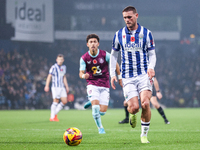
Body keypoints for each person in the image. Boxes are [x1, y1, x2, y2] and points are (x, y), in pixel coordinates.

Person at [110, 6, 156, 143]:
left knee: (146, 103)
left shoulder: (147, 33)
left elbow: (152, 54)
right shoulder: (119, 34)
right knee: (135, 107)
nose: (127, 20)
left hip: (143, 75)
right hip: (127, 76)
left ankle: (144, 135)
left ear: (136, 15)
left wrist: (151, 67)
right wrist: (113, 74)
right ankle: (132, 113)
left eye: (129, 17)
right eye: (125, 18)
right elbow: (113, 56)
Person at [79, 34, 121, 134]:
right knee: (96, 108)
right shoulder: (84, 58)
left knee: (102, 112)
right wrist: (83, 76)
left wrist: (119, 77)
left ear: (98, 44)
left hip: (105, 85)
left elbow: (115, 63)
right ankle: (100, 128)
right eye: (91, 42)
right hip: (92, 84)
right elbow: (80, 73)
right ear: (87, 44)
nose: (93, 44)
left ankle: (92, 101)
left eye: (94, 42)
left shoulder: (105, 55)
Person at [44, 54, 69, 122]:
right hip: (55, 87)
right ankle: (52, 117)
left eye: (61, 59)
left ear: (63, 60)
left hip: (62, 87)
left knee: (64, 101)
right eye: (59, 59)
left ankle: (54, 113)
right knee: (56, 101)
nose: (60, 61)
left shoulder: (64, 67)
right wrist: (47, 85)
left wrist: (66, 86)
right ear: (56, 60)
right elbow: (49, 76)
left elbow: (64, 77)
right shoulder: (53, 67)